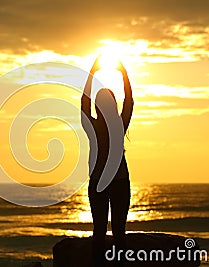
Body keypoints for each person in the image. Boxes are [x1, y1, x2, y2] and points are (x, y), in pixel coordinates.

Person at [81, 56, 134, 266]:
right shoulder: (119, 126)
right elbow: (129, 100)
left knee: (100, 231)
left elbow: (84, 102)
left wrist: (92, 73)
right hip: (119, 181)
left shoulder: (92, 126)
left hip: (100, 183)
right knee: (119, 232)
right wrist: (124, 74)